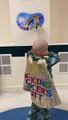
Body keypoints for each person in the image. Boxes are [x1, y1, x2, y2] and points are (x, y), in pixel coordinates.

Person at [23, 39, 61, 120]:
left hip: (35, 86)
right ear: (43, 51)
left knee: (35, 102)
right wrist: (48, 53)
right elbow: (57, 57)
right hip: (44, 87)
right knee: (45, 106)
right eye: (46, 49)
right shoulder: (46, 61)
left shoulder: (29, 57)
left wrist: (36, 50)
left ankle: (31, 117)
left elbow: (31, 51)